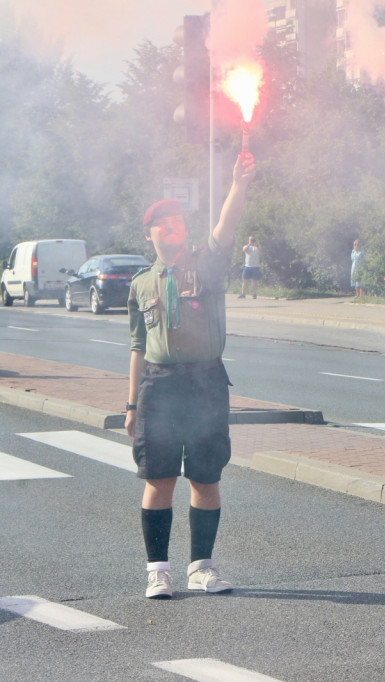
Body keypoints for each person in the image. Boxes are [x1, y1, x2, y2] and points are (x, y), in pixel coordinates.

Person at [125, 152, 256, 599]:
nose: (173, 225)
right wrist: (130, 404)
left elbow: (227, 226)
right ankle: (157, 570)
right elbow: (138, 346)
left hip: (205, 382)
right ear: (150, 234)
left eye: (178, 219)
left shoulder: (207, 264)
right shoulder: (142, 283)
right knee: (158, 478)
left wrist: (239, 184)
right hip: (158, 386)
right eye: (164, 222)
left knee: (205, 477)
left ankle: (201, 566)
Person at [239, 235, 261, 299]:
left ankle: (254, 294)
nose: (252, 241)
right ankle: (243, 294)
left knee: (255, 281)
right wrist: (249, 244)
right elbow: (244, 250)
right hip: (247, 266)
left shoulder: (257, 247)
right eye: (250, 240)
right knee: (244, 280)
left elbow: (261, 252)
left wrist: (256, 245)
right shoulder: (246, 246)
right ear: (248, 240)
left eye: (253, 240)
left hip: (255, 266)